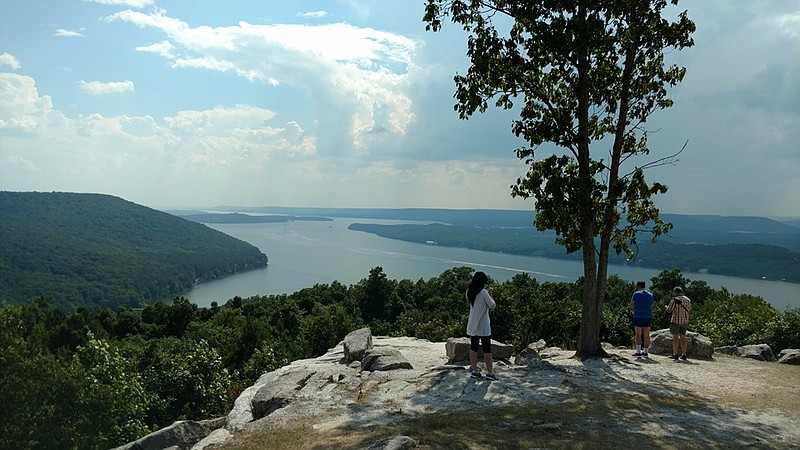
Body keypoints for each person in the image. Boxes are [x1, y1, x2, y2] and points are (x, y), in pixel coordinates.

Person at [466, 271, 497, 380]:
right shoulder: (483, 293)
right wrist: (490, 295)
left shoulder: (469, 292)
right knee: (487, 349)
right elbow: (492, 305)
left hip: (472, 325)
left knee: (473, 347)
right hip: (483, 326)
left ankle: (474, 370)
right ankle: (490, 373)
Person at [666, 286, 692, 361]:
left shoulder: (674, 300)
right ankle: (684, 354)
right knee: (683, 337)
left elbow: (669, 310)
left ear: (675, 292)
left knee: (675, 338)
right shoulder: (688, 300)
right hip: (685, 321)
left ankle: (675, 354)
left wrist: (666, 307)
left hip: (676, 321)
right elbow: (689, 309)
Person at [630, 280, 654, 358]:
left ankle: (638, 351)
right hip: (648, 316)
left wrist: (634, 309)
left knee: (638, 334)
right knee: (646, 334)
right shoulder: (650, 294)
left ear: (638, 286)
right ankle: (646, 352)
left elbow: (631, 305)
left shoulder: (636, 294)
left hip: (638, 315)